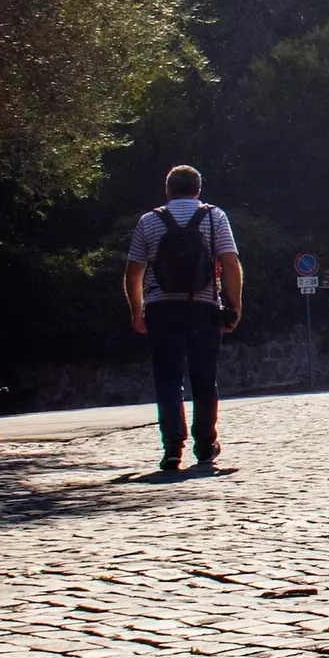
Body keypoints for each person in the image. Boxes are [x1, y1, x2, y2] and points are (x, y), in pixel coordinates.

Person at [122, 165, 243, 474]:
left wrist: (137, 311)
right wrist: (235, 305)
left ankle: (173, 447)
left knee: (168, 378)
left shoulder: (149, 221)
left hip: (161, 308)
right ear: (198, 190)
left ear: (168, 190)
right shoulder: (215, 218)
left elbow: (133, 272)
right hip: (203, 307)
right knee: (204, 378)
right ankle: (205, 446)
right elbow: (230, 262)